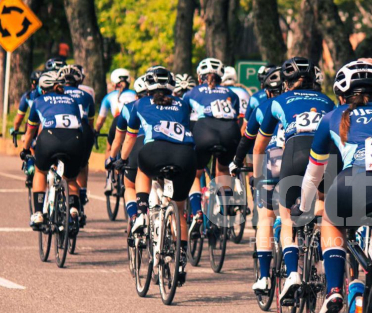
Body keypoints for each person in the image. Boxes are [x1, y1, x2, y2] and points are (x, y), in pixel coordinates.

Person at [293, 60, 372, 313]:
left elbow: (314, 173)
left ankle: (335, 291)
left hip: (354, 184)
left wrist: (304, 205)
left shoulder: (333, 116)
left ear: (341, 95)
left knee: (331, 220)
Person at [241, 57, 335, 301]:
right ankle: (324, 267)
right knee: (323, 212)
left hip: (286, 158)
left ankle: (284, 274)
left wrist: (257, 174)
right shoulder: (327, 100)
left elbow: (257, 143)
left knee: (278, 218)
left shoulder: (273, 102)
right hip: (325, 158)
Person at [115, 66, 196, 282]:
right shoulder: (183, 103)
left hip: (154, 152)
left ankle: (141, 211)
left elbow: (130, 139)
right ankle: (180, 262)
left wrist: (122, 160)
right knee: (179, 210)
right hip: (185, 156)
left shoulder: (139, 103)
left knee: (142, 168)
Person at [230, 66, 285, 291]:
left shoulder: (265, 106)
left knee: (265, 217)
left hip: (274, 159)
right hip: (308, 161)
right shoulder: (317, 104)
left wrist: (239, 163)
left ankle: (264, 276)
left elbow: (249, 139)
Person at [182, 58, 243, 236]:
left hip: (204, 130)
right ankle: (225, 210)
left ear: (200, 77)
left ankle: (197, 212)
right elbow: (235, 117)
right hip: (230, 133)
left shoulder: (192, 92)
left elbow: (184, 119)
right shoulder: (232, 92)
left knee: (195, 173)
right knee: (222, 169)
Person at [21, 71, 87, 229]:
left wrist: (25, 149)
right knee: (71, 178)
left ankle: (38, 213)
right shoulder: (71, 100)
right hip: (74, 139)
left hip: (49, 138)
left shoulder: (39, 100)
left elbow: (31, 130)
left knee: (40, 171)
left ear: (43, 89)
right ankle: (73, 210)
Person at [107, 75, 148, 224]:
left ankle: (134, 217)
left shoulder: (130, 106)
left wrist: (114, 159)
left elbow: (119, 140)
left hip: (136, 145)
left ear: (136, 94)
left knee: (130, 186)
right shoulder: (165, 104)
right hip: (166, 148)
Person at [59, 65, 96, 226]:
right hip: (83, 131)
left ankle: (57, 193)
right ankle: (81, 194)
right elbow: (90, 121)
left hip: (61, 131)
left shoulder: (58, 94)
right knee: (81, 165)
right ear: (79, 81)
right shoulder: (87, 95)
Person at [96, 68, 138, 158]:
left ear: (114, 83)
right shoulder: (135, 94)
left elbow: (101, 119)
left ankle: (109, 166)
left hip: (118, 121)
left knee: (110, 147)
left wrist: (97, 131)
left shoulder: (109, 96)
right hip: (134, 122)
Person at [11, 70, 43, 136]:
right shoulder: (50, 95)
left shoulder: (27, 96)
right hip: (50, 127)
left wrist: (15, 129)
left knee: (27, 139)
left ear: (32, 84)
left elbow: (18, 119)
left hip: (33, 126)